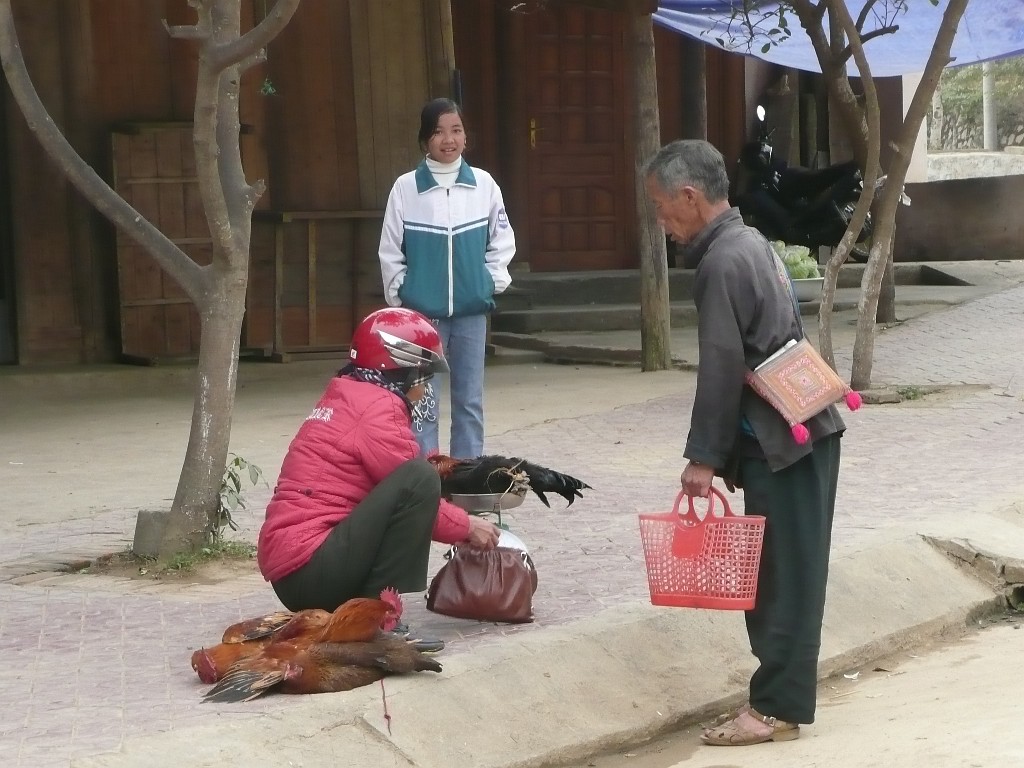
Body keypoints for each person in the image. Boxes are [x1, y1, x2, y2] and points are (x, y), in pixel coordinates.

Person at [643, 140, 845, 747]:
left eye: (660, 207)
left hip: (786, 440)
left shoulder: (723, 261)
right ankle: (778, 699)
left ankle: (775, 708)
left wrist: (703, 459)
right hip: (805, 426)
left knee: (783, 579)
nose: (660, 223)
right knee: (789, 573)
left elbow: (722, 366)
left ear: (689, 197)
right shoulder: (749, 241)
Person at [256, 307, 501, 630]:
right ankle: (377, 619)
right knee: (420, 478)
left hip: (296, 570)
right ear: (402, 371)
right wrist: (468, 527)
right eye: (423, 377)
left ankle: (363, 612)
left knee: (416, 479)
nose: (424, 389)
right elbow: (416, 492)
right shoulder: (377, 410)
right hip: (310, 569)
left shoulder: (349, 394)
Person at [378, 97, 516, 459]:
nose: (448, 139)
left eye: (456, 130)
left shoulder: (484, 185)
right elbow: (390, 249)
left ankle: (466, 481)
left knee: (469, 402)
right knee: (422, 405)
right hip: (423, 319)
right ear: (425, 139)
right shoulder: (406, 188)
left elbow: (502, 239)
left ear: (466, 137)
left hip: (471, 313)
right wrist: (404, 295)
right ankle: (428, 485)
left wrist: (490, 282)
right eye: (438, 131)